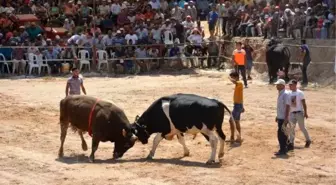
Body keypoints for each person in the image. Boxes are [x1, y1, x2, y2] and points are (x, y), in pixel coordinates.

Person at [285, 79, 311, 151]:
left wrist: (305, 112)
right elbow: (288, 104)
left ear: (295, 85)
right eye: (289, 85)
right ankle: (291, 143)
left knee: (302, 128)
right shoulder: (289, 94)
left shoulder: (300, 93)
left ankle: (308, 139)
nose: (290, 86)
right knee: (291, 128)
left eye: (291, 85)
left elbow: (304, 103)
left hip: (299, 113)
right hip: (292, 113)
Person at [274, 79, 290, 156]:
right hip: (281, 117)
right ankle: (285, 148)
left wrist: (286, 117)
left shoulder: (285, 94)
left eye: (278, 85)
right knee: (283, 133)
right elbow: (281, 107)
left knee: (281, 134)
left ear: (282, 86)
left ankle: (282, 150)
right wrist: (277, 116)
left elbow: (287, 106)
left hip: (283, 117)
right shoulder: (281, 93)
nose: (276, 86)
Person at [228, 71, 244, 143]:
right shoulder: (239, 84)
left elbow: (235, 82)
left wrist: (229, 78)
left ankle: (232, 137)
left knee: (232, 121)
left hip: (237, 105)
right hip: (238, 105)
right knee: (236, 121)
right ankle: (238, 137)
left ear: (236, 77)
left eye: (233, 77)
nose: (232, 79)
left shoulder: (239, 83)